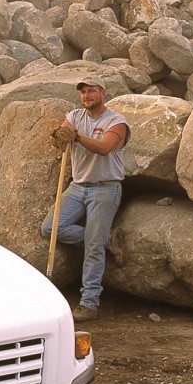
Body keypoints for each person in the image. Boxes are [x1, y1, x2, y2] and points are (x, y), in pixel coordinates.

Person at [41, 78, 129, 320]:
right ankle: (105, 239)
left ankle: (89, 303)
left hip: (105, 188)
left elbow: (104, 148)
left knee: (93, 247)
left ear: (103, 93)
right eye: (83, 92)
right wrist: (59, 136)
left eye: (91, 91)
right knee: (51, 228)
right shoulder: (75, 116)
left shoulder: (116, 122)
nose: (86, 96)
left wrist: (77, 137)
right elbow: (59, 142)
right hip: (78, 186)